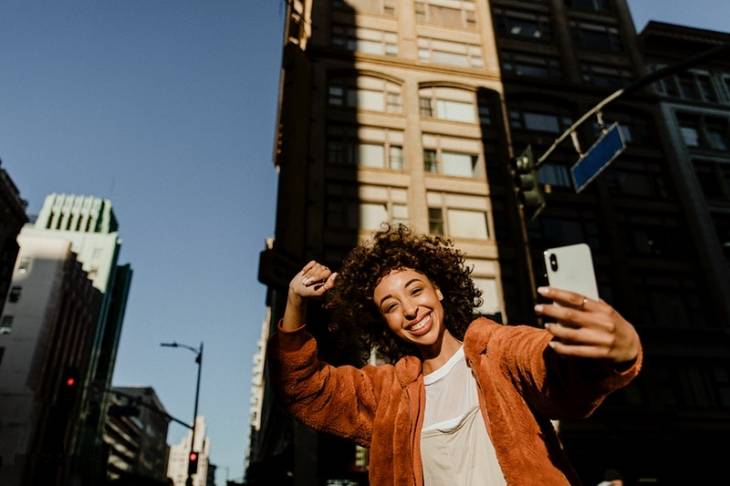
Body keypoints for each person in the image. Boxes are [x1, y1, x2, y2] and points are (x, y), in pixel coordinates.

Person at [271, 226, 642, 485]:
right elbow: (305, 390)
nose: (411, 310)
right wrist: (295, 301)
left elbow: (555, 369)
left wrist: (616, 354)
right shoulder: (385, 393)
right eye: (391, 305)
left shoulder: (495, 350)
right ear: (384, 322)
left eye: (416, 290)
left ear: (440, 290)